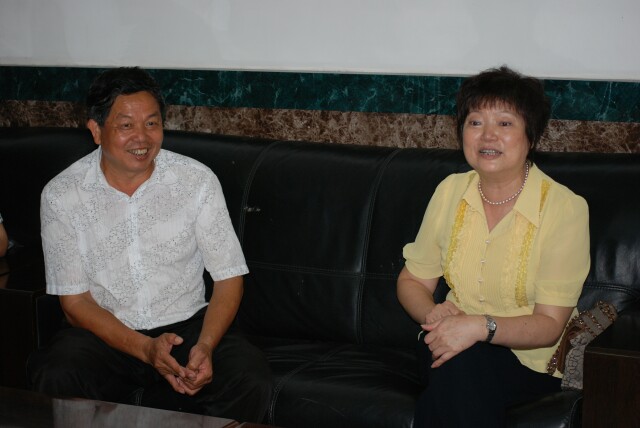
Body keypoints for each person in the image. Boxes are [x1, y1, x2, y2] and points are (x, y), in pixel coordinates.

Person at [28, 67, 272, 422]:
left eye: (152, 123)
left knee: (248, 378)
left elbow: (229, 277)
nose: (141, 138)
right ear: (96, 130)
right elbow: (75, 303)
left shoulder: (196, 181)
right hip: (105, 333)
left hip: (186, 327)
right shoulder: (62, 194)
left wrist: (205, 346)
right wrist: (145, 348)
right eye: (126, 125)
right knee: (58, 373)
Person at [397, 66, 590, 427]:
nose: (487, 135)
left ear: (531, 135)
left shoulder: (564, 208)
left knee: (459, 370)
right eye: (475, 122)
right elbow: (412, 281)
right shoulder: (449, 191)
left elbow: (549, 325)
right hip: (447, 342)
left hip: (529, 362)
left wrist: (479, 327)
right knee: (458, 363)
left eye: (504, 123)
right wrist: (432, 314)